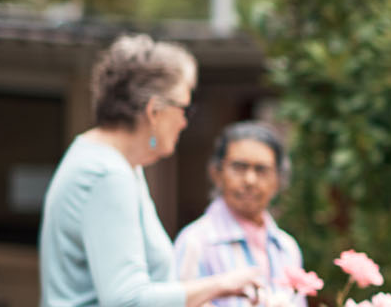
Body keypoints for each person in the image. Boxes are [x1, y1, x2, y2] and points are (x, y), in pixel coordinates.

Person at [40, 34, 259, 306]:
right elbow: (127, 300)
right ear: (154, 111)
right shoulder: (107, 175)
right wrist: (220, 285)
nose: (183, 122)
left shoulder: (110, 162)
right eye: (183, 109)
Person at [174, 122, 305, 307]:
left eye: (261, 170)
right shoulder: (195, 242)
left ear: (278, 180)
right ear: (216, 173)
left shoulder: (286, 248)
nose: (250, 180)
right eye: (239, 167)